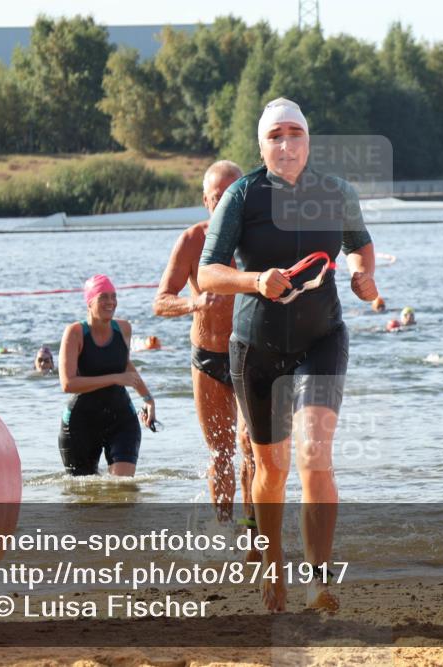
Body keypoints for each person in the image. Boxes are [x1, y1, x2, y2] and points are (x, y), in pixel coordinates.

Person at [198, 97, 378, 613]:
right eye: (275, 136)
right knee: (271, 469)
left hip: (321, 338)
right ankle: (273, 566)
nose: (286, 144)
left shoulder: (336, 192)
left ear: (308, 140)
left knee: (314, 457)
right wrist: (255, 280)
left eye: (294, 134)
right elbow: (209, 273)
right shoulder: (241, 195)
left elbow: (360, 246)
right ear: (262, 145)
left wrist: (365, 277)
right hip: (255, 346)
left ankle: (320, 579)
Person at [154, 160, 258, 531]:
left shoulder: (258, 239)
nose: (223, 206)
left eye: (230, 197)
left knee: (250, 446)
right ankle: (223, 530)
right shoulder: (192, 240)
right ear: (205, 200)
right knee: (221, 453)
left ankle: (253, 530)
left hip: (251, 355)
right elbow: (161, 301)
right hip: (207, 356)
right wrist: (193, 303)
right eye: (216, 198)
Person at [58, 275, 156, 477]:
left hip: (120, 418)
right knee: (83, 496)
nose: (111, 302)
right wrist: (114, 378)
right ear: (90, 301)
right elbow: (68, 384)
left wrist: (147, 398)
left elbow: (124, 364)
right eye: (104, 297)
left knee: (123, 488)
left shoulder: (124, 329)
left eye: (114, 296)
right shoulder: (75, 333)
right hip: (80, 423)